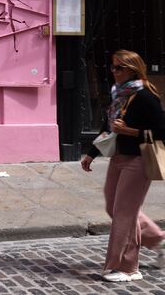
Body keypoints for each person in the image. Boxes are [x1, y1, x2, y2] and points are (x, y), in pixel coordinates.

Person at [81, 49, 165, 282]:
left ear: (132, 69)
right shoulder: (120, 94)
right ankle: (159, 241)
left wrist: (131, 131)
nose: (113, 71)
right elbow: (107, 127)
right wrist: (91, 154)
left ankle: (127, 268)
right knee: (114, 207)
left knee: (124, 214)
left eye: (118, 67)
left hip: (138, 160)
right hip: (118, 158)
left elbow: (161, 131)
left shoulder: (146, 95)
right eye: (112, 66)